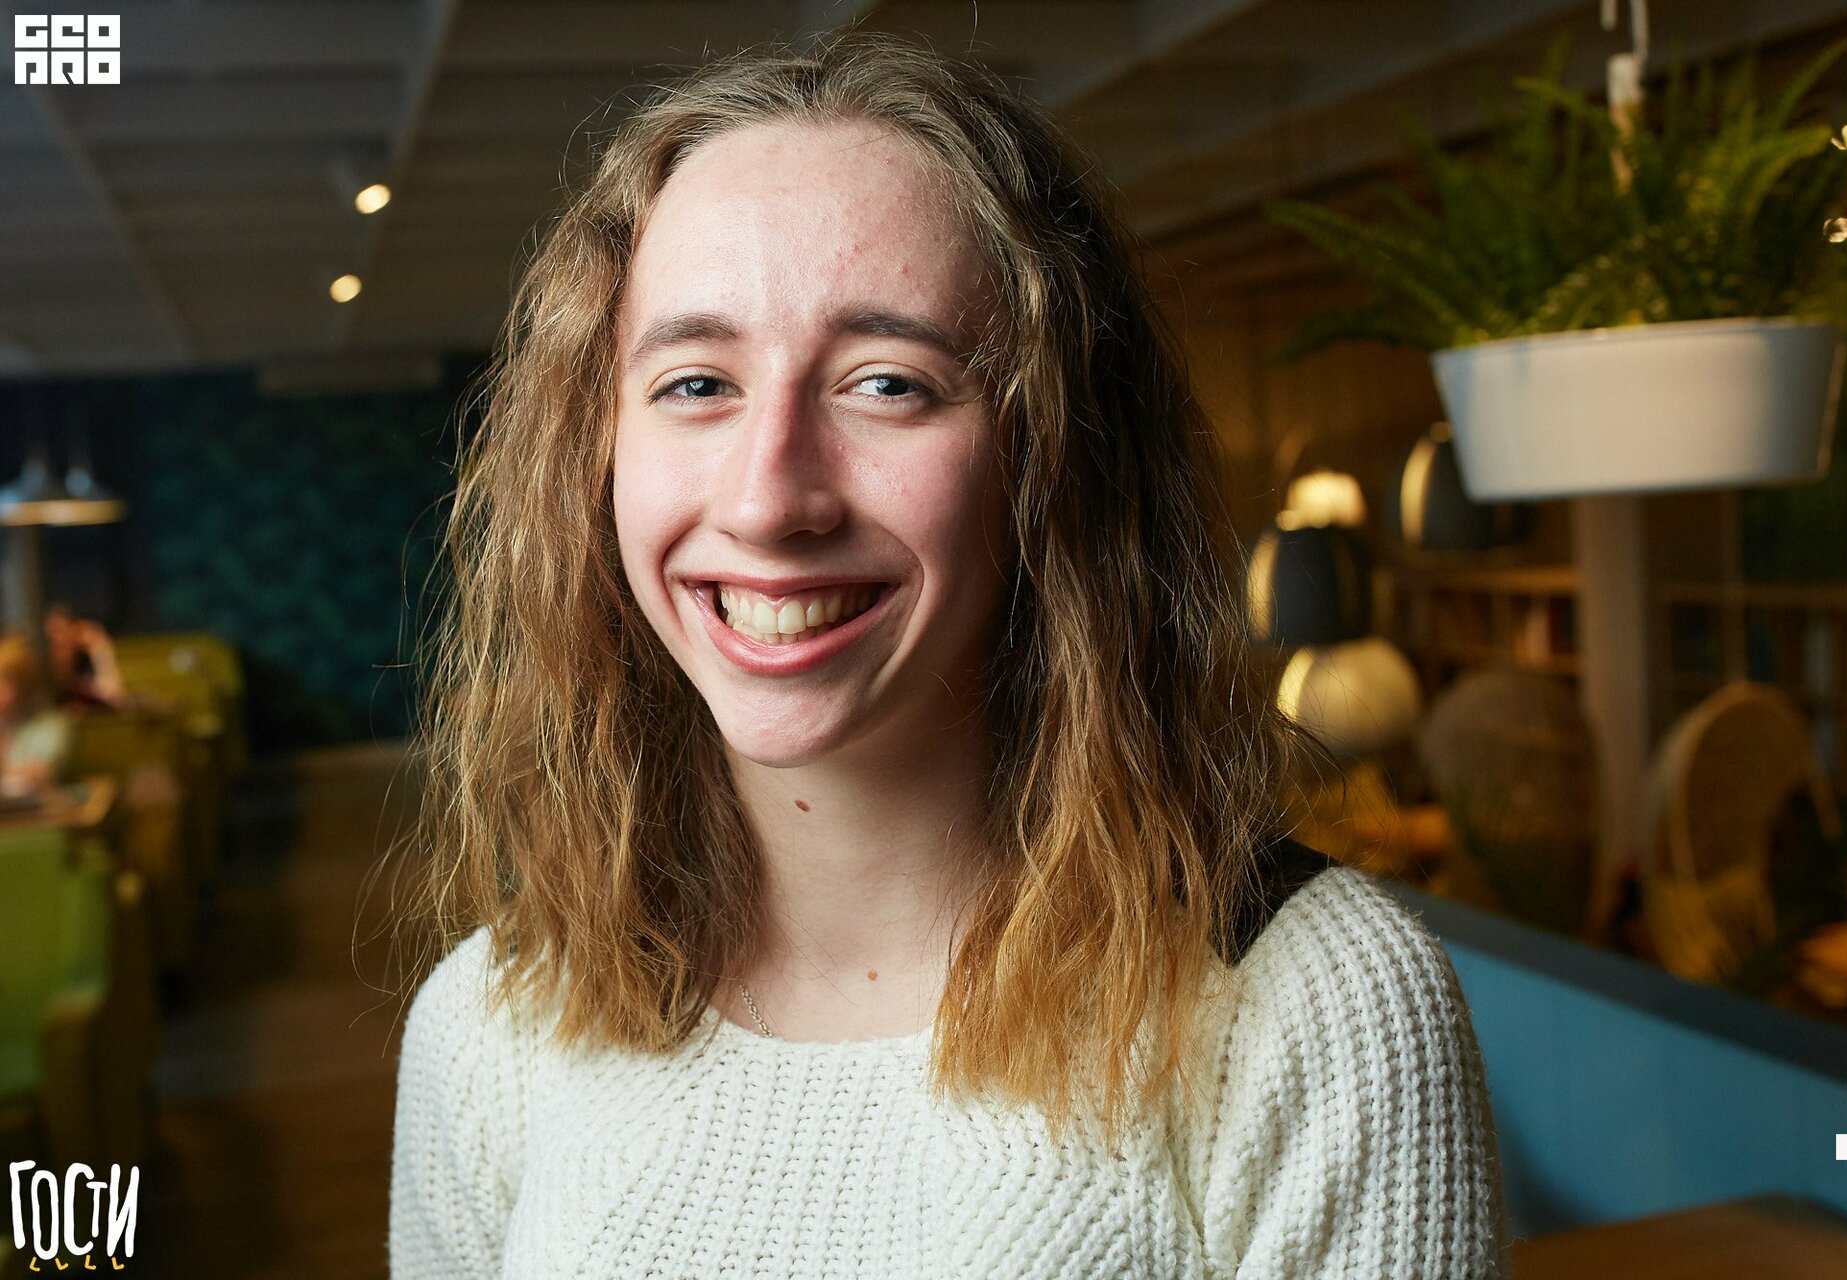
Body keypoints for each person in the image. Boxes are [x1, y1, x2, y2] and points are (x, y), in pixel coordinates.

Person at [389, 33, 1511, 1279]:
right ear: (595, 454)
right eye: (697, 382)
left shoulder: (1312, 1004)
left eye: (888, 384)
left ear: (1052, 458)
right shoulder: (489, 1024)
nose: (768, 499)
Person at [0, 632, 76, 800]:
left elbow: (41, 773)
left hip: (40, 810)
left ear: (23, 687)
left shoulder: (52, 725)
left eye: (4, 682)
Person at [43, 602, 130, 711]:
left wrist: (99, 648)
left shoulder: (85, 674)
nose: (59, 652)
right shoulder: (38, 677)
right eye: (52, 644)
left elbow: (114, 697)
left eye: (65, 644)